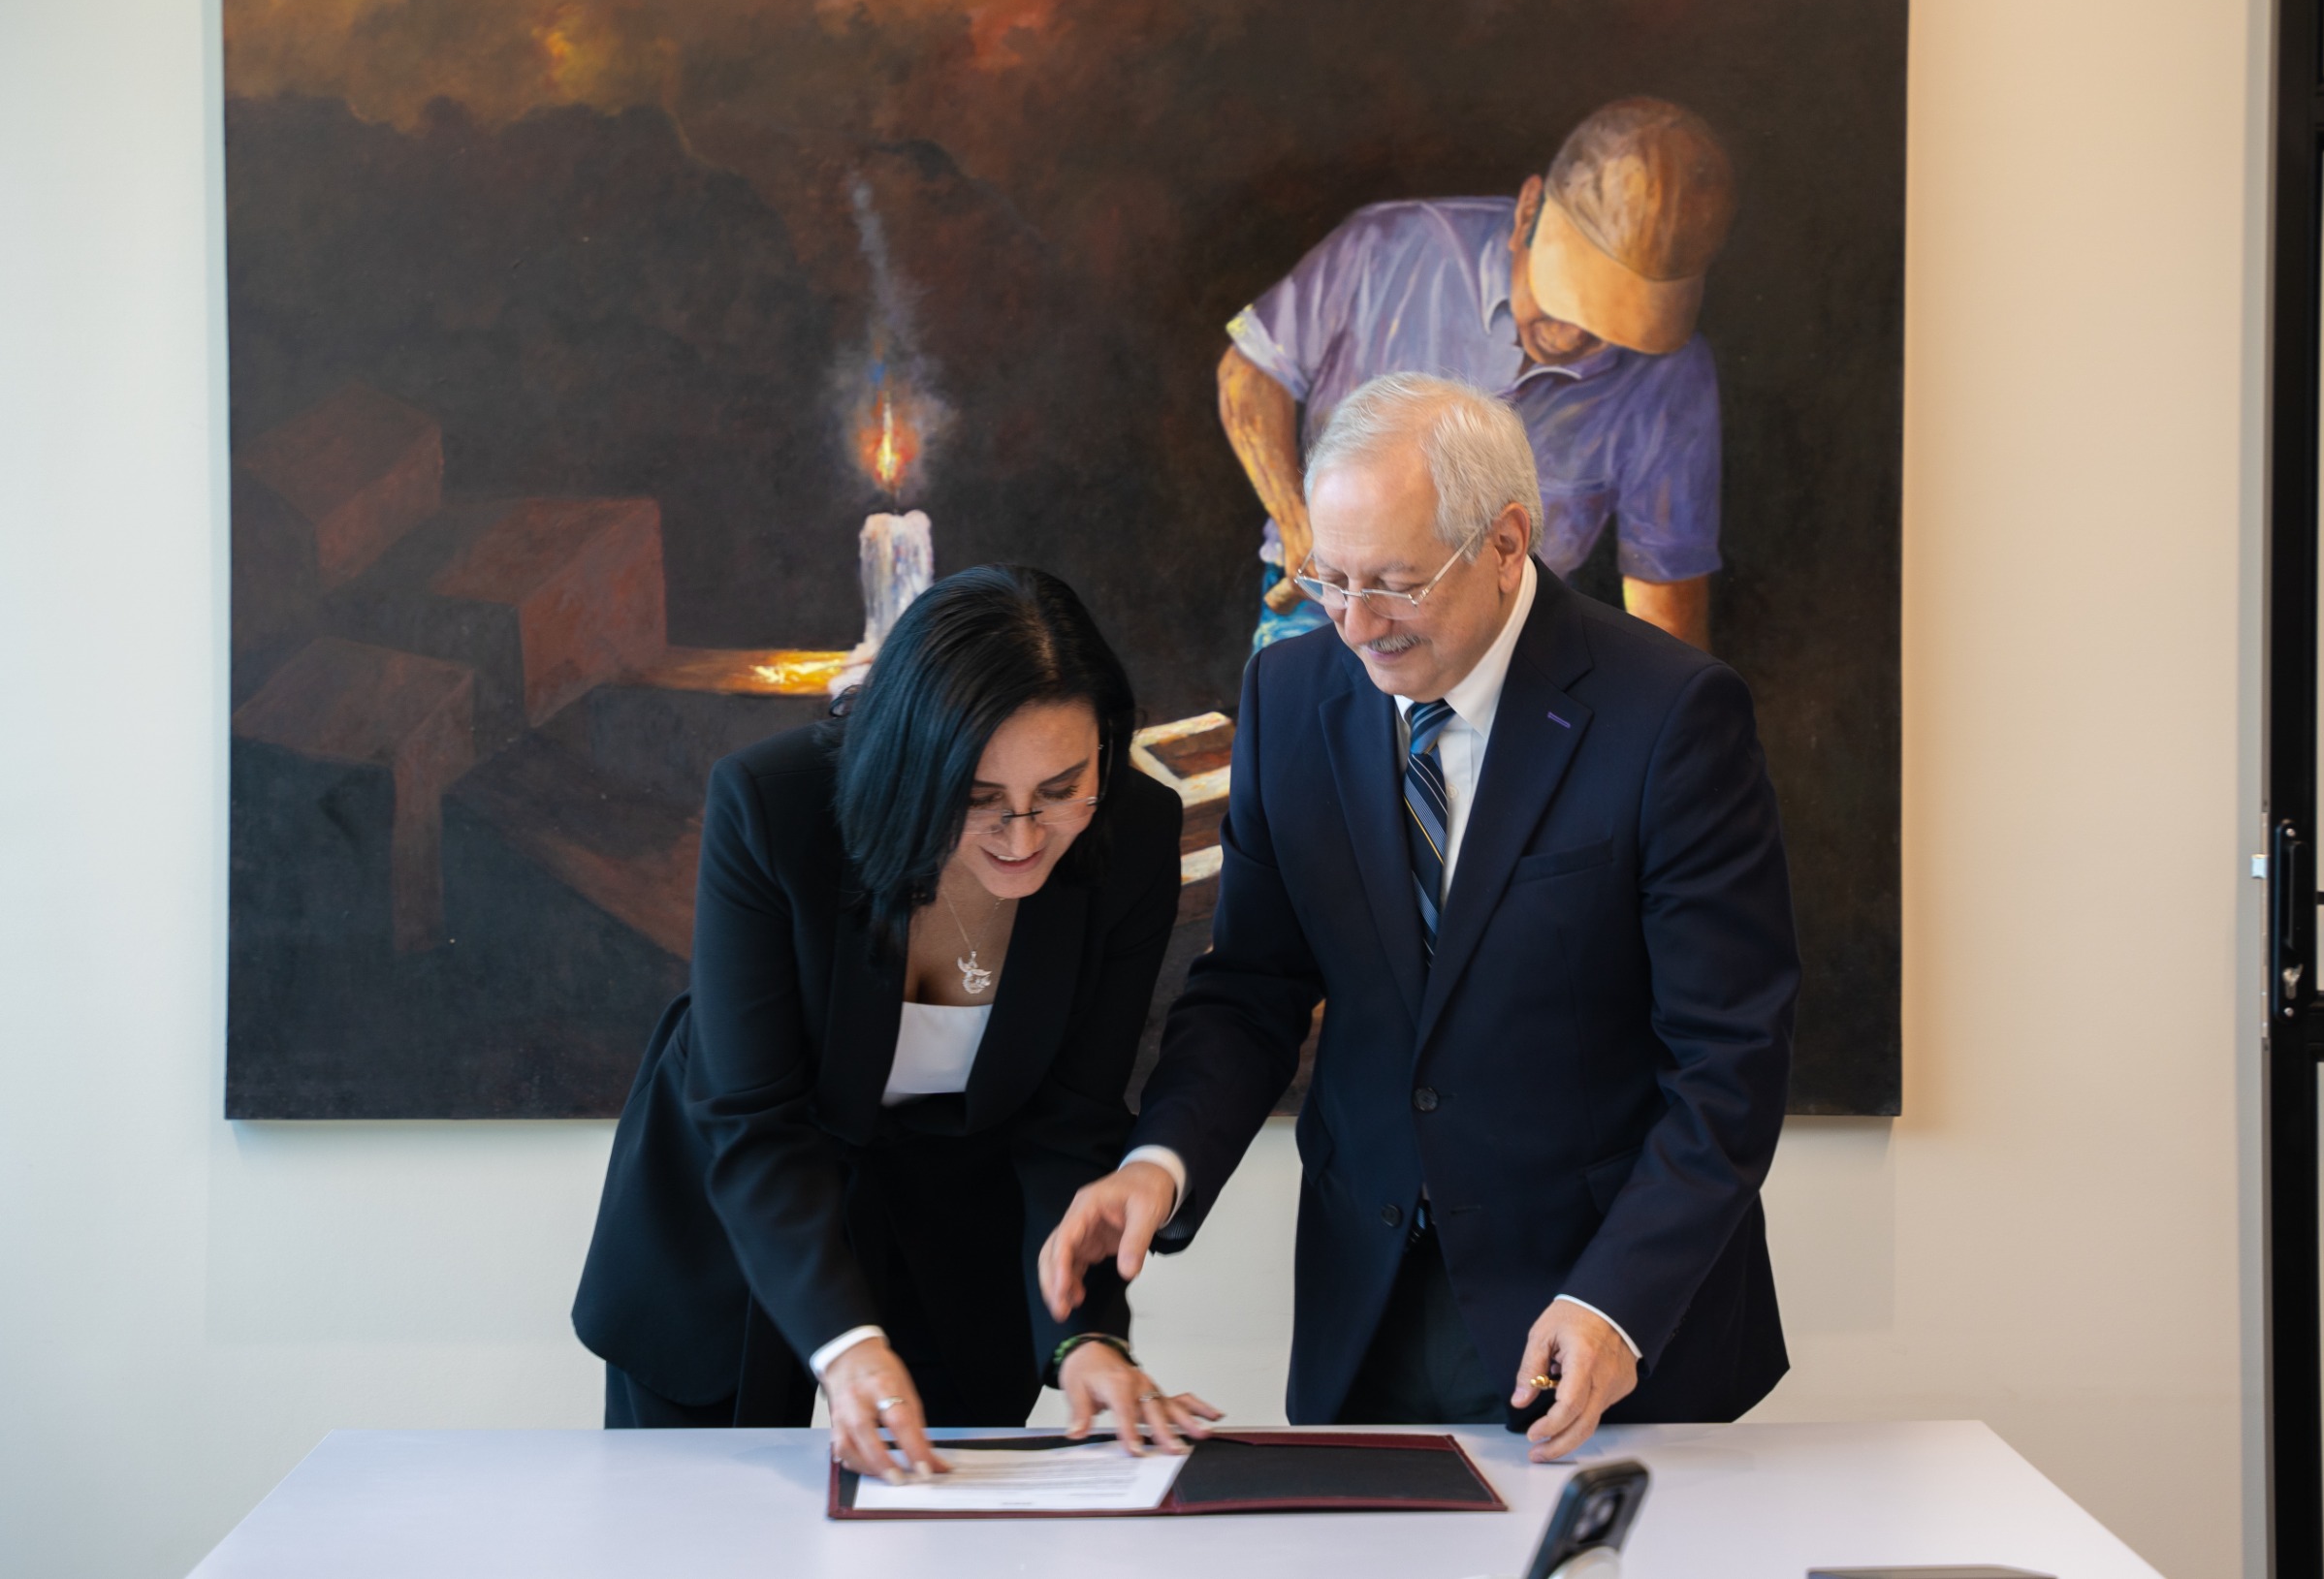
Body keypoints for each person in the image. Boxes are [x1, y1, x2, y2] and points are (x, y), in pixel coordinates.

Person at [1041, 374, 1799, 1463]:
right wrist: (1158, 1162)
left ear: (1506, 543)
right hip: (1371, 1302)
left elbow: (1728, 1060)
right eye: (1330, 578)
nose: (1355, 625)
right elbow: (1252, 985)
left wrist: (1618, 1299)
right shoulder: (1290, 696)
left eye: (1395, 585)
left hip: (1600, 1307)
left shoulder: (1670, 715)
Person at [573, 565, 1221, 1482]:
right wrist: (846, 1345)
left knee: (942, 1519)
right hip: (738, 1208)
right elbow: (752, 1118)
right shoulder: (775, 805)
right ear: (914, 765)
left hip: (953, 1233)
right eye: (979, 799)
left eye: (1060, 788)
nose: (1024, 837)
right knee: (697, 1517)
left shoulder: (1134, 834)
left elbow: (1071, 1120)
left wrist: (1087, 1338)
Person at [1221, 96, 1736, 654]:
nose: (1568, 339)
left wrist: (1667, 706)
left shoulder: (1672, 380)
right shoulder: (1387, 250)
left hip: (1506, 643)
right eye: (1560, 301)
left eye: (1606, 329)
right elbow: (1247, 374)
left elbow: (1666, 615)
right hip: (1330, 608)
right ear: (1528, 212)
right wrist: (1295, 516)